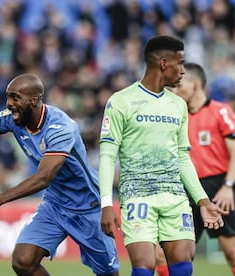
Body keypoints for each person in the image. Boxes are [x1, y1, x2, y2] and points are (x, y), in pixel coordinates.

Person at [0, 73, 119, 276]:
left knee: (108, 274)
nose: (9, 104)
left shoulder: (60, 127)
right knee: (23, 261)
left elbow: (45, 176)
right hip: (55, 206)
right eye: (8, 97)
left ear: (34, 100)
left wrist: (0, 198)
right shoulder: (13, 119)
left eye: (15, 97)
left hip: (87, 207)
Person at [97, 35, 227, 276]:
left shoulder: (177, 105)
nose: (183, 71)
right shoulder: (121, 101)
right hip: (137, 197)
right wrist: (106, 203)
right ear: (164, 63)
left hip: (176, 198)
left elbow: (182, 157)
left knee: (182, 265)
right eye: (181, 63)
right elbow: (107, 155)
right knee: (144, 267)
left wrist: (202, 200)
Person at [155, 63, 235, 276]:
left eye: (180, 85)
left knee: (232, 253)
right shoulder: (176, 116)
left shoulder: (220, 111)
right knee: (166, 254)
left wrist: (228, 186)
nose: (175, 91)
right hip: (186, 190)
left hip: (218, 188)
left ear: (196, 84)